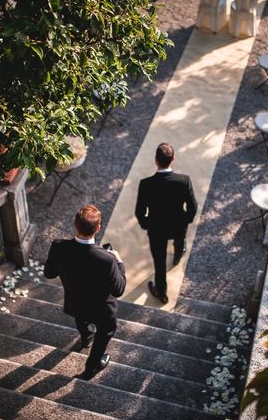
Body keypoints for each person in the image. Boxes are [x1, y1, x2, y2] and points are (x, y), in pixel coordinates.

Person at [44, 204, 126, 378]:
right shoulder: (107, 259)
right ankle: (91, 367)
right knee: (105, 334)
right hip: (102, 311)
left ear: (75, 224)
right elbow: (119, 290)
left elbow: (49, 274)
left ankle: (86, 337)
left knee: (82, 319)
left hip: (75, 302)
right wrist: (119, 263)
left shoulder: (59, 247)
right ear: (98, 228)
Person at [135, 142, 198, 304]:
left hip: (156, 229)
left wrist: (147, 225)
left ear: (156, 160)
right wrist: (186, 221)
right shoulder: (184, 181)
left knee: (159, 262)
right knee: (179, 241)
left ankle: (161, 292)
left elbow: (140, 212)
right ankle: (177, 256)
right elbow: (193, 206)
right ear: (173, 158)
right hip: (178, 225)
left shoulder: (146, 184)